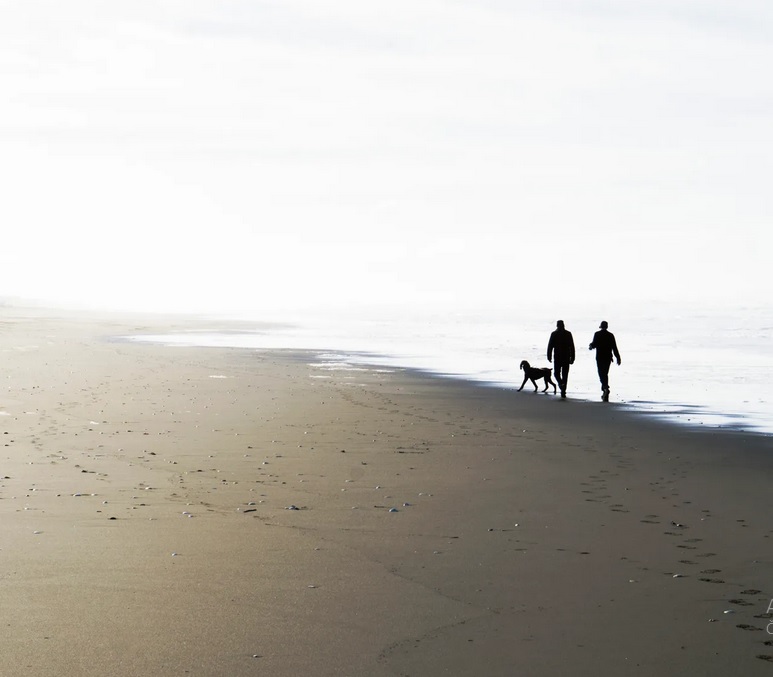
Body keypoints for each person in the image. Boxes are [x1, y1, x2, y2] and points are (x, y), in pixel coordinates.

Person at [589, 320, 621, 401]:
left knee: (601, 373)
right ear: (607, 327)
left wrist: (591, 346)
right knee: (605, 373)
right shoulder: (610, 335)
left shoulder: (597, 334)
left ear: (601, 326)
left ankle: (605, 388)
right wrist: (618, 357)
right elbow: (614, 347)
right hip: (608, 357)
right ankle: (605, 389)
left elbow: (594, 344)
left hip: (600, 357)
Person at [547, 320, 575, 399]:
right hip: (566, 356)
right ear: (563, 325)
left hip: (557, 356)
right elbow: (572, 346)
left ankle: (560, 383)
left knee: (556, 373)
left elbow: (550, 346)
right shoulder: (568, 334)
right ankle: (563, 390)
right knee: (565, 374)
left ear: (557, 325)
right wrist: (573, 357)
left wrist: (549, 356)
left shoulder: (554, 334)